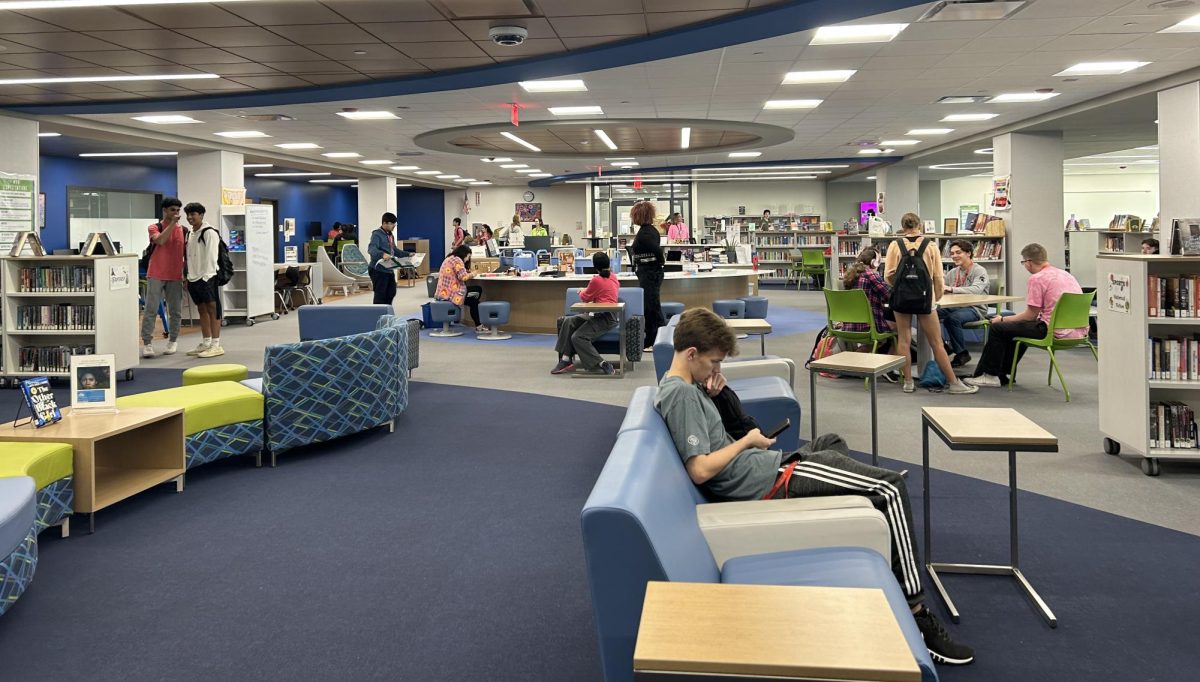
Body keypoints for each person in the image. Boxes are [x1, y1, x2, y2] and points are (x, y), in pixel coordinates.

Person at [655, 308, 975, 666]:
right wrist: (746, 442)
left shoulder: (691, 387)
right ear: (691, 353)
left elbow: (716, 432)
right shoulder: (680, 395)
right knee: (891, 487)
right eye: (714, 362)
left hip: (771, 468)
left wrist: (719, 392)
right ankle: (917, 613)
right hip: (772, 482)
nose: (716, 370)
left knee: (831, 441)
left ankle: (859, 513)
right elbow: (699, 470)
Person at [965, 243, 1085, 388]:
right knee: (1013, 329)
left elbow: (1030, 316)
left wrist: (1002, 319)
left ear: (1028, 262)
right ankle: (1003, 374)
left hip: (1053, 331)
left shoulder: (1037, 278)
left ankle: (990, 375)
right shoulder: (1066, 274)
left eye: (1023, 262)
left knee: (999, 327)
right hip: (1078, 331)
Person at [884, 212, 977, 394]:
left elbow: (888, 275)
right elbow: (938, 277)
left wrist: (903, 288)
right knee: (936, 342)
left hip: (901, 299)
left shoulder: (895, 245)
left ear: (903, 227)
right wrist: (935, 297)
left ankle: (908, 382)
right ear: (920, 226)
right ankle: (954, 383)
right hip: (926, 299)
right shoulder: (931, 245)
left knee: (903, 340)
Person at [551, 252, 619, 376]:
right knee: (568, 321)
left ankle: (602, 363)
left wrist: (581, 291)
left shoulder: (596, 280)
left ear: (594, 266)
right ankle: (566, 359)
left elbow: (585, 298)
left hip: (605, 318)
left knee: (577, 337)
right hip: (598, 315)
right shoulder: (613, 277)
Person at [140, 196, 186, 358]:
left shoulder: (184, 230)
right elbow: (160, 241)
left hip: (175, 275)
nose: (176, 213)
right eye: (172, 210)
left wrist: (186, 275)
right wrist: (172, 224)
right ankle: (147, 343)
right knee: (151, 309)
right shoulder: (154, 227)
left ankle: (173, 340)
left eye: (178, 210)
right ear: (165, 210)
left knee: (175, 310)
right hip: (156, 273)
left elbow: (185, 255)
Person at [938, 239, 990, 368]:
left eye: (958, 252)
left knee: (952, 319)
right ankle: (942, 346)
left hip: (975, 308)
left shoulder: (979, 271)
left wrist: (951, 289)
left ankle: (962, 353)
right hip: (955, 306)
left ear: (968, 253)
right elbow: (941, 286)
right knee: (929, 312)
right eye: (952, 253)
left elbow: (976, 290)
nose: (954, 256)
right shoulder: (952, 272)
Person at [183, 202, 224, 358]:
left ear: (201, 215)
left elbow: (212, 257)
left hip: (208, 277)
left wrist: (207, 277)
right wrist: (188, 276)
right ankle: (206, 342)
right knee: (201, 309)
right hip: (193, 277)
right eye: (188, 214)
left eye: (193, 214)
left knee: (213, 309)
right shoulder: (190, 233)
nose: (189, 217)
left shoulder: (209, 232)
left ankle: (216, 344)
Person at [840, 247, 895, 351]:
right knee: (901, 330)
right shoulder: (871, 275)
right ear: (873, 262)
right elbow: (891, 295)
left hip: (848, 325)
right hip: (868, 326)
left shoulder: (849, 275)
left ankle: (862, 354)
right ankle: (891, 365)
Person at [630, 201, 666, 352]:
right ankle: (656, 338)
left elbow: (657, 251)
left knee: (651, 307)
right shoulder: (650, 230)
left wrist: (660, 262)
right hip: (651, 272)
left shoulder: (645, 233)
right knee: (652, 306)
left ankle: (654, 340)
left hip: (650, 273)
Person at [435, 244, 486, 332]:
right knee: (478, 289)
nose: (468, 259)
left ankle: (479, 325)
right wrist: (473, 274)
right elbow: (463, 277)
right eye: (468, 257)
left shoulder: (449, 258)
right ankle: (460, 308)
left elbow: (456, 272)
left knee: (474, 302)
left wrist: (466, 271)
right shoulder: (458, 260)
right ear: (465, 254)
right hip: (452, 293)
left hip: (443, 293)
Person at [368, 212, 413, 306]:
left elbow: (394, 250)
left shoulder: (390, 235)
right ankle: (378, 316)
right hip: (378, 269)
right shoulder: (377, 234)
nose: (394, 226)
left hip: (388, 269)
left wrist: (408, 254)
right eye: (392, 224)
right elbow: (371, 249)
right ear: (385, 223)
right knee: (380, 295)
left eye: (394, 224)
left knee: (391, 292)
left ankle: (387, 313)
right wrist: (382, 254)